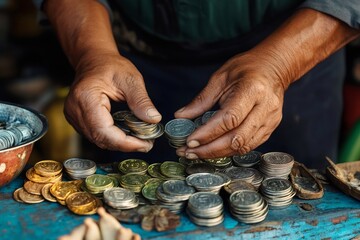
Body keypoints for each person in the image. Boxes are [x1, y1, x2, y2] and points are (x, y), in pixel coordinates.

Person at [34, 0, 360, 169]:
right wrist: (92, 54)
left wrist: (280, 64)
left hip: (298, 51)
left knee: (296, 218)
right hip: (129, 61)